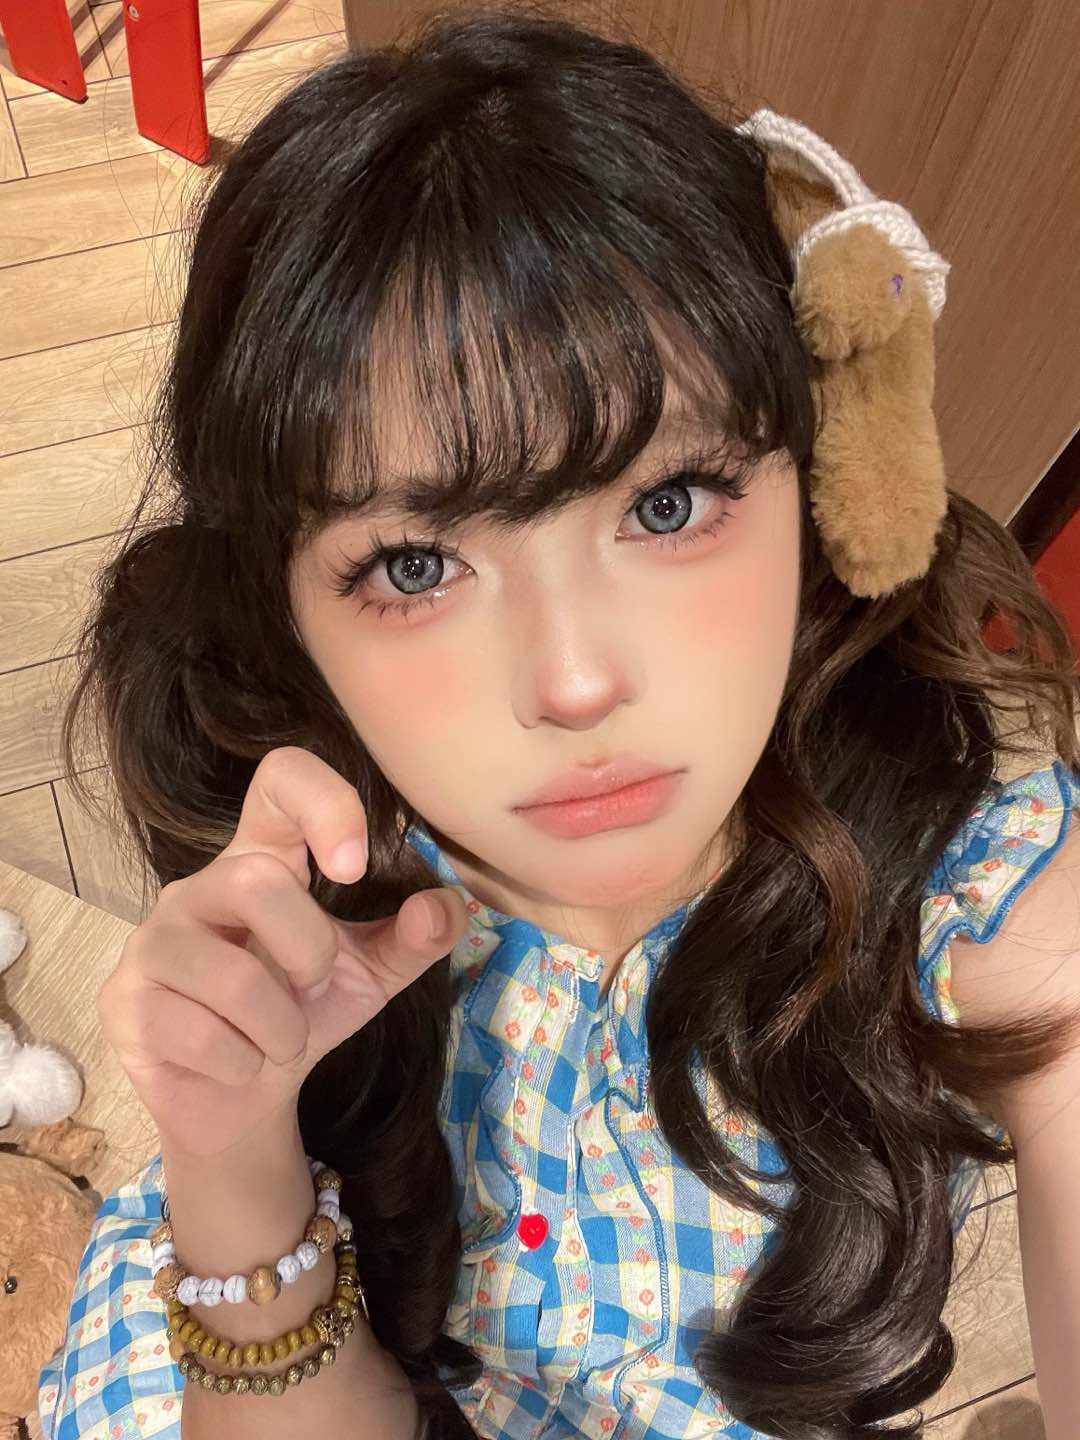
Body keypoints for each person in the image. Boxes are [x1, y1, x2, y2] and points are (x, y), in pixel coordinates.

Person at [35, 6, 1080, 1440]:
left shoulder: (984, 896)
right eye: (416, 566)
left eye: (669, 503)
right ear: (289, 607)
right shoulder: (315, 874)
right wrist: (233, 1148)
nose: (575, 683)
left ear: (823, 486)